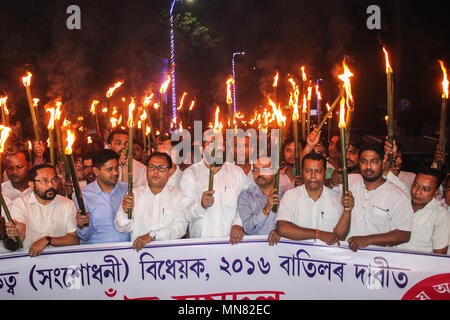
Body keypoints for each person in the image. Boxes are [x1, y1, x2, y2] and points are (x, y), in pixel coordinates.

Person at [341, 143, 413, 252]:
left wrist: (368, 240)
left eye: (373, 161)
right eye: (364, 161)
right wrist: (332, 180)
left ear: (383, 164)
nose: (368, 167)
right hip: (347, 256)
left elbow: (404, 234)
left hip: (378, 260)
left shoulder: (397, 196)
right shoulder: (349, 183)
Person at [180, 136, 250, 243]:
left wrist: (238, 224)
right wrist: (201, 205)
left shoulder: (237, 173)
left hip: (231, 243)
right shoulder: (191, 174)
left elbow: (246, 203)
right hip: (201, 244)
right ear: (202, 150)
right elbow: (185, 213)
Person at [115, 152, 190, 251]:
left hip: (168, 257)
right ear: (146, 170)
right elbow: (122, 228)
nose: (155, 171)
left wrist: (152, 236)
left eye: (161, 167)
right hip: (139, 255)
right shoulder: (134, 194)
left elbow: (180, 228)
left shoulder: (177, 196)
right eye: (151, 167)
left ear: (169, 171)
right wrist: (125, 212)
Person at [277, 152, 354, 244]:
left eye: (318, 171)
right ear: (302, 172)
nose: (313, 175)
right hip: (297, 256)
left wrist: (347, 211)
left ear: (325, 173)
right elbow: (283, 228)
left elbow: (340, 237)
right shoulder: (290, 196)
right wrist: (318, 234)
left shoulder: (337, 198)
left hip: (326, 256)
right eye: (308, 171)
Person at [5, 164, 79, 256]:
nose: (51, 185)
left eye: (54, 180)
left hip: (59, 263)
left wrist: (48, 240)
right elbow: (20, 231)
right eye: (44, 181)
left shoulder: (67, 204)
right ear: (31, 185)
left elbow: (74, 239)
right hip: (29, 260)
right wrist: (16, 234)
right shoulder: (21, 204)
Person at [76, 149, 130, 244]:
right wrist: (82, 225)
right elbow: (85, 236)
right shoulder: (84, 195)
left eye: (116, 168)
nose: (115, 173)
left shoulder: (126, 190)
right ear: (96, 171)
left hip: (126, 252)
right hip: (98, 254)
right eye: (110, 169)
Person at [395, 167, 449, 254]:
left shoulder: (440, 215)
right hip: (390, 261)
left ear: (436, 193)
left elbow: (440, 254)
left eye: (425, 189)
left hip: (419, 265)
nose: (417, 192)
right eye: (415, 185)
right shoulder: (400, 202)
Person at [237, 157, 280, 246]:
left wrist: (279, 231)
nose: (259, 173)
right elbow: (248, 228)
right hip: (254, 250)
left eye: (265, 169)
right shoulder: (246, 195)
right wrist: (266, 209)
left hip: (280, 250)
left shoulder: (284, 195)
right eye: (256, 170)